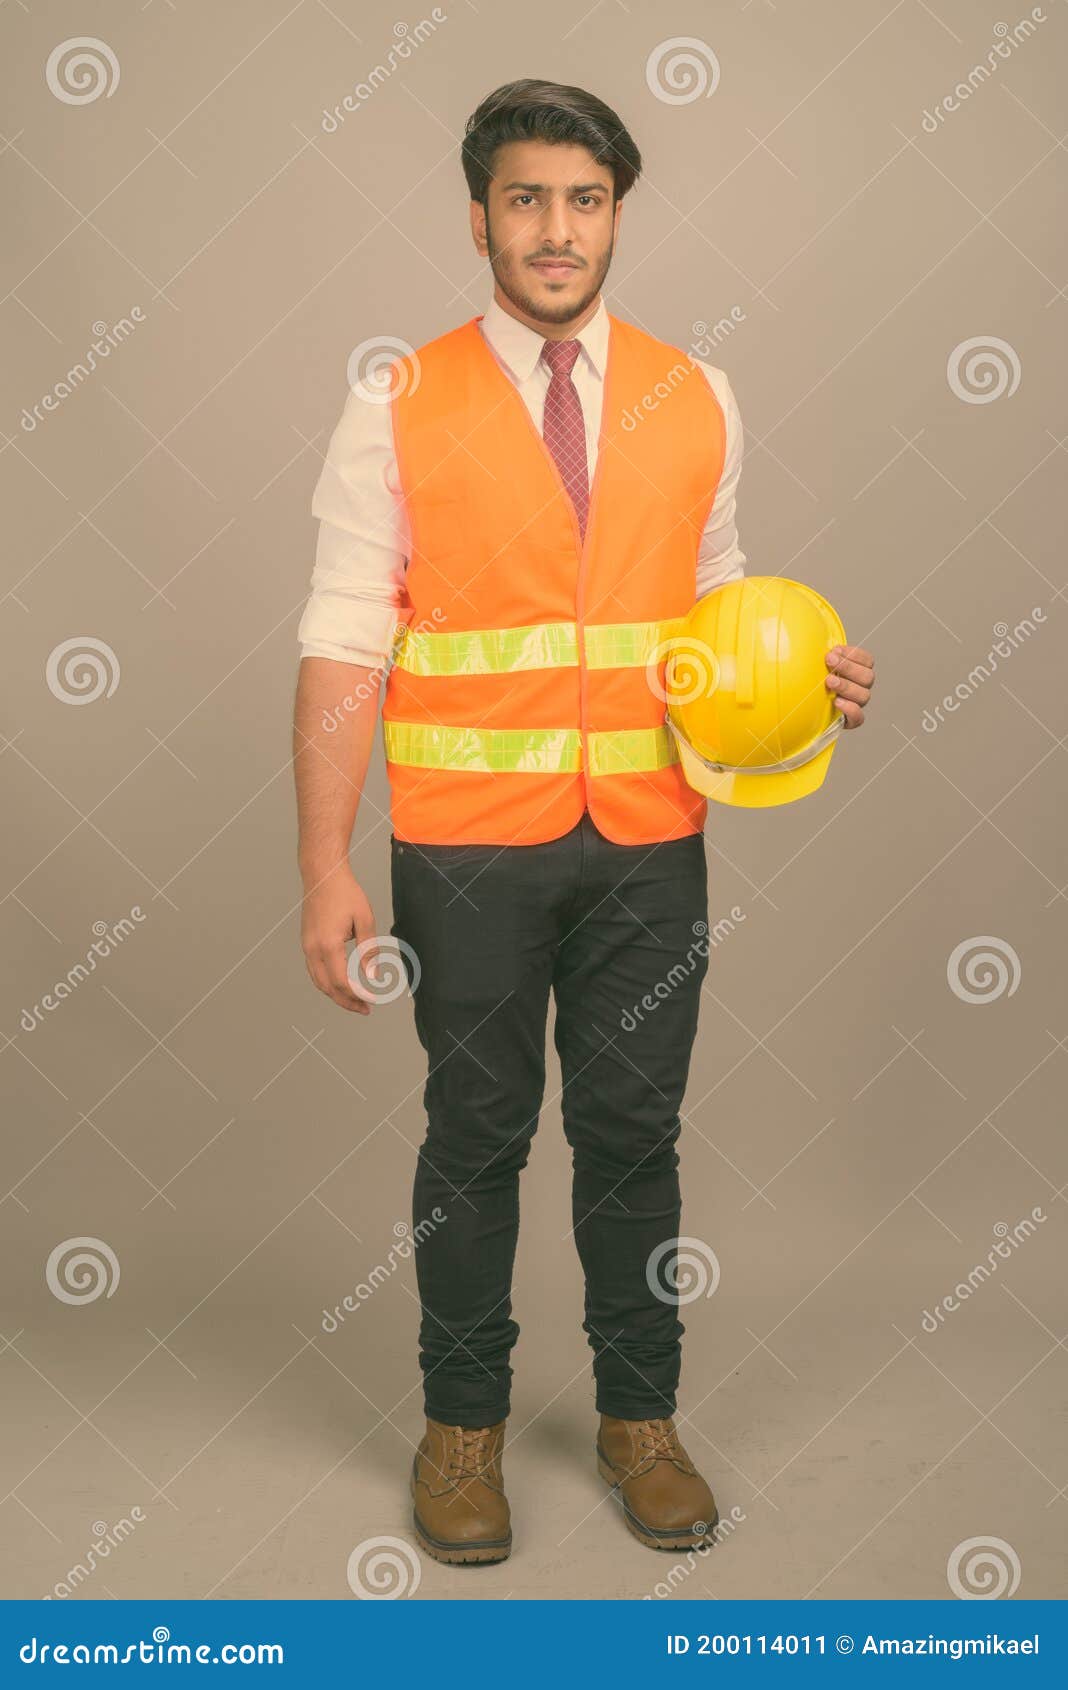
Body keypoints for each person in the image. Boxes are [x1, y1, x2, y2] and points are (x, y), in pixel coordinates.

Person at [292, 79, 875, 1566]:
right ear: (479, 215)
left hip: (649, 839)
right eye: (528, 199)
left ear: (620, 212)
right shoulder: (398, 396)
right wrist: (322, 866)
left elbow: (722, 606)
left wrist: (802, 682)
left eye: (586, 199)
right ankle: (461, 1427)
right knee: (475, 1135)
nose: (558, 230)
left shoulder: (700, 391)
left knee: (633, 1134)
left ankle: (640, 1418)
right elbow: (346, 636)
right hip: (465, 846)